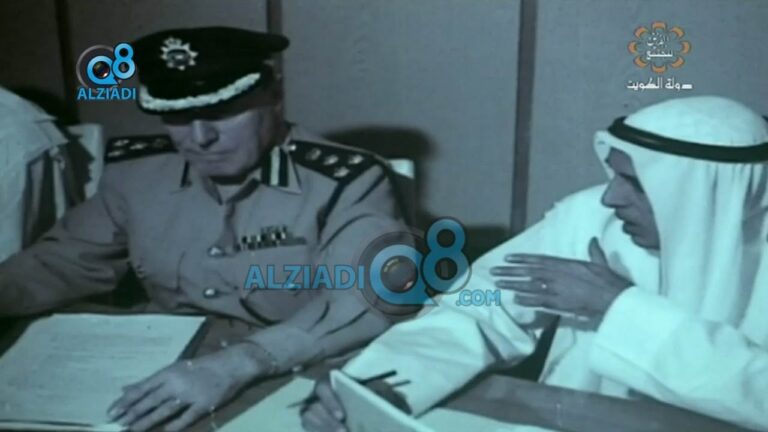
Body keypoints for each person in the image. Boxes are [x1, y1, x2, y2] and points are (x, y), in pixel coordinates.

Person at [0, 27, 415, 431]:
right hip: (161, 369)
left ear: (274, 96)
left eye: (221, 113)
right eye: (177, 116)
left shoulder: (344, 181)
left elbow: (367, 296)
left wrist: (242, 362)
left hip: (288, 370)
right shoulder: (137, 175)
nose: (200, 138)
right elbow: (62, 262)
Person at [303, 96, 768, 432]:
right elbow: (480, 306)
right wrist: (383, 383)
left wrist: (617, 307)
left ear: (706, 195)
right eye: (616, 175)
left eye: (637, 183)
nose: (610, 197)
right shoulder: (590, 218)